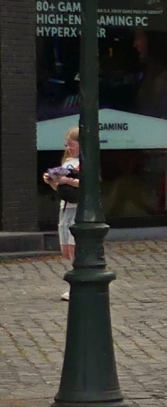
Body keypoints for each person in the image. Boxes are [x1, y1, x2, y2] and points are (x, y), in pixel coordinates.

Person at [42, 127, 81, 301]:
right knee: (66, 248)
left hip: (77, 207)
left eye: (72, 145)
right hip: (65, 206)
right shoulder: (66, 162)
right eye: (67, 145)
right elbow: (61, 189)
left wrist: (68, 181)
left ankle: (77, 285)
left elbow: (87, 183)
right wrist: (52, 182)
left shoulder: (83, 162)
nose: (69, 148)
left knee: (74, 246)